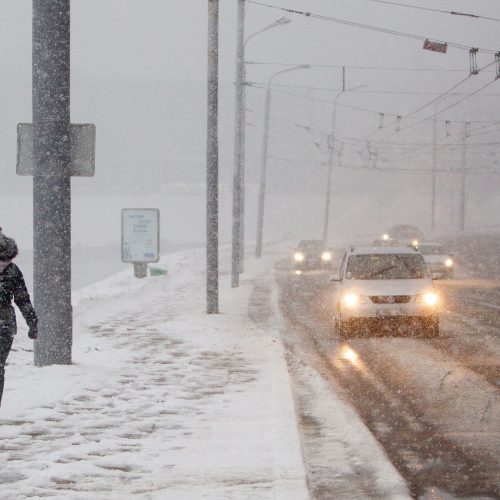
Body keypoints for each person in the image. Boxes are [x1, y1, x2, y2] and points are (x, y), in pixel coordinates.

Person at [0, 228, 38, 407]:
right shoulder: (13, 270)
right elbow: (23, 299)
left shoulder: (12, 271)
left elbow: (22, 299)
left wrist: (32, 322)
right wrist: (32, 322)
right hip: (5, 324)